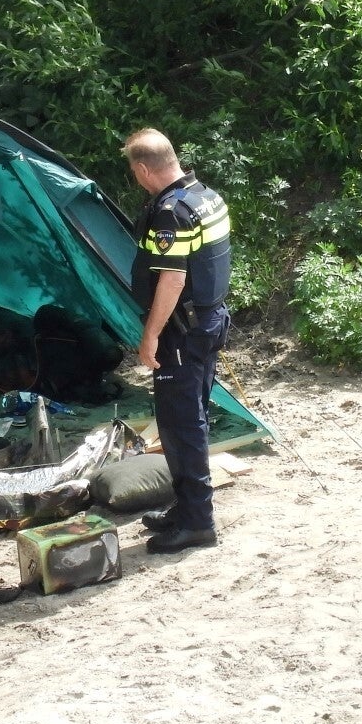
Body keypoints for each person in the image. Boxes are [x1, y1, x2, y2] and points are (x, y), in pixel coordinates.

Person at [123, 128, 232, 554]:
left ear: (143, 169)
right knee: (191, 418)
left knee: (181, 426)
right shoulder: (205, 196)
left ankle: (198, 522)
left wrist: (150, 335)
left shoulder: (171, 213)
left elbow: (172, 279)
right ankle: (186, 508)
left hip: (182, 333)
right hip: (208, 320)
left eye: (134, 172)